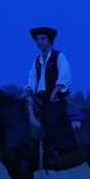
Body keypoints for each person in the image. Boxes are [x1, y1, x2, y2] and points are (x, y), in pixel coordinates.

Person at [23, 26, 74, 164]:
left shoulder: (59, 56)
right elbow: (32, 81)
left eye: (43, 39)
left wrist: (54, 93)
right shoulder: (37, 61)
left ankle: (53, 152)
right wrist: (28, 92)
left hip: (57, 98)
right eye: (37, 39)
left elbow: (64, 76)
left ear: (50, 41)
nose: (40, 42)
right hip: (40, 99)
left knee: (49, 118)